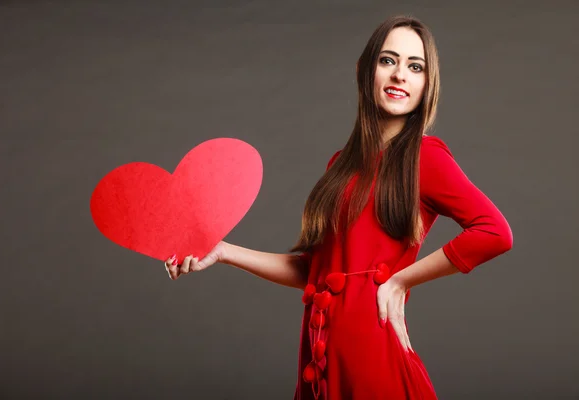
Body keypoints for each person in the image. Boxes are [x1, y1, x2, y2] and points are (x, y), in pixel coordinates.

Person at [164, 15, 513, 400]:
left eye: (416, 67)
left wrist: (401, 280)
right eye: (388, 61)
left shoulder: (424, 157)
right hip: (320, 353)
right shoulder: (340, 165)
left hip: (372, 351)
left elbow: (495, 233)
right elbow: (316, 270)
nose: (400, 75)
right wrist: (225, 251)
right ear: (366, 71)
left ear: (427, 85)